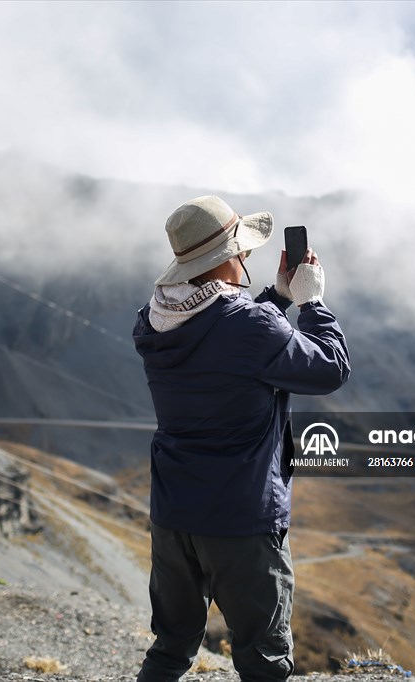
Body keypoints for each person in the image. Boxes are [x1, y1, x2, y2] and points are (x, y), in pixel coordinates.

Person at [132, 195, 350, 681]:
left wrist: (274, 297)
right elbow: (330, 369)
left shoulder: (153, 320)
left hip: (173, 515)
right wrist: (310, 302)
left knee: (170, 648)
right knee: (263, 660)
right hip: (241, 520)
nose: (247, 257)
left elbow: (225, 339)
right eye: (242, 249)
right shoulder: (247, 326)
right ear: (225, 257)